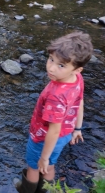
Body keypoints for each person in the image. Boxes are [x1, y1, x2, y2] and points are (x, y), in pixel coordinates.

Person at [14, 31, 94, 193]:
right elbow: (80, 102)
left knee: (35, 167)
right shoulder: (77, 79)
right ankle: (46, 190)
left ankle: (26, 189)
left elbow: (53, 129)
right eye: (51, 59)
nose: (51, 67)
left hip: (43, 137)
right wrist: (77, 128)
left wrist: (43, 157)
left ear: (77, 69)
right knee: (50, 165)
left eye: (61, 65)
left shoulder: (55, 96)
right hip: (65, 134)